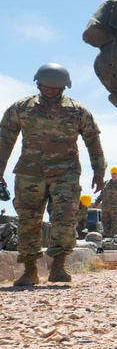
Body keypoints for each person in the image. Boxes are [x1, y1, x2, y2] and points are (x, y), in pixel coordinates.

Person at [0, 64, 106, 286]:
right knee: (28, 221)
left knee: (65, 218)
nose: (49, 91)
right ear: (38, 84)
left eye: (54, 88)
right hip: (30, 173)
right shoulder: (21, 107)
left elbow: (93, 141)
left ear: (63, 88)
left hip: (65, 173)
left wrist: (99, 171)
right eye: (46, 87)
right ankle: (30, 271)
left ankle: (58, 266)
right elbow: (4, 139)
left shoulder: (78, 111)